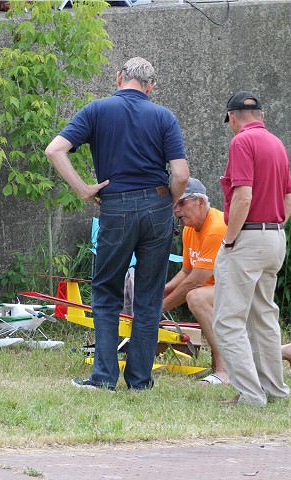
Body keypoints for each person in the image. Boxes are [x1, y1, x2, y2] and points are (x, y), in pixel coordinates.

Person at [45, 57, 189, 391]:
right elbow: (181, 174)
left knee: (107, 292)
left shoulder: (97, 109)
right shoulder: (164, 117)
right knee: (149, 297)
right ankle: (140, 380)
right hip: (157, 206)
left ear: (119, 77)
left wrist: (83, 189)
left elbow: (55, 150)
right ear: (151, 86)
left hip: (116, 204)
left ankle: (104, 377)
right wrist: (166, 203)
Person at [162, 177, 291, 384]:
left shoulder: (216, 227)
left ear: (200, 202)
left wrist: (156, 309)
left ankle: (224, 370)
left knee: (196, 297)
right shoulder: (190, 229)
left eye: (182, 203)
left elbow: (195, 281)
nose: (176, 209)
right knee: (197, 296)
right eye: (174, 204)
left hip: (247, 289)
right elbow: (186, 272)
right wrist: (159, 293)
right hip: (227, 288)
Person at [212, 91, 291, 406]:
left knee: (227, 321)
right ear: (261, 116)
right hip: (275, 236)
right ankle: (275, 389)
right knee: (263, 317)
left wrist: (231, 239)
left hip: (247, 238)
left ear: (232, 117)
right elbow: (290, 202)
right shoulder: (277, 144)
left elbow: (243, 197)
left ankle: (250, 395)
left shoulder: (241, 143)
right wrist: (270, 229)